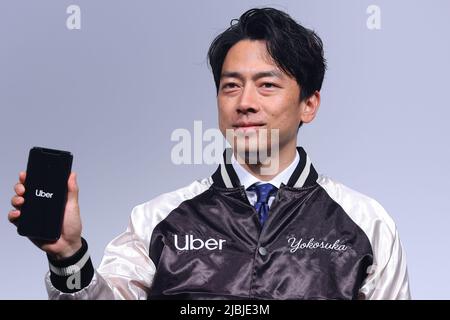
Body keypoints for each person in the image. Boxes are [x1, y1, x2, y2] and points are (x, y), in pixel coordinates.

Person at [8, 7, 410, 300]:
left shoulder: (367, 224)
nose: (245, 102)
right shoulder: (157, 220)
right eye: (231, 86)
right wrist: (68, 256)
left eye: (267, 85)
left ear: (309, 103)